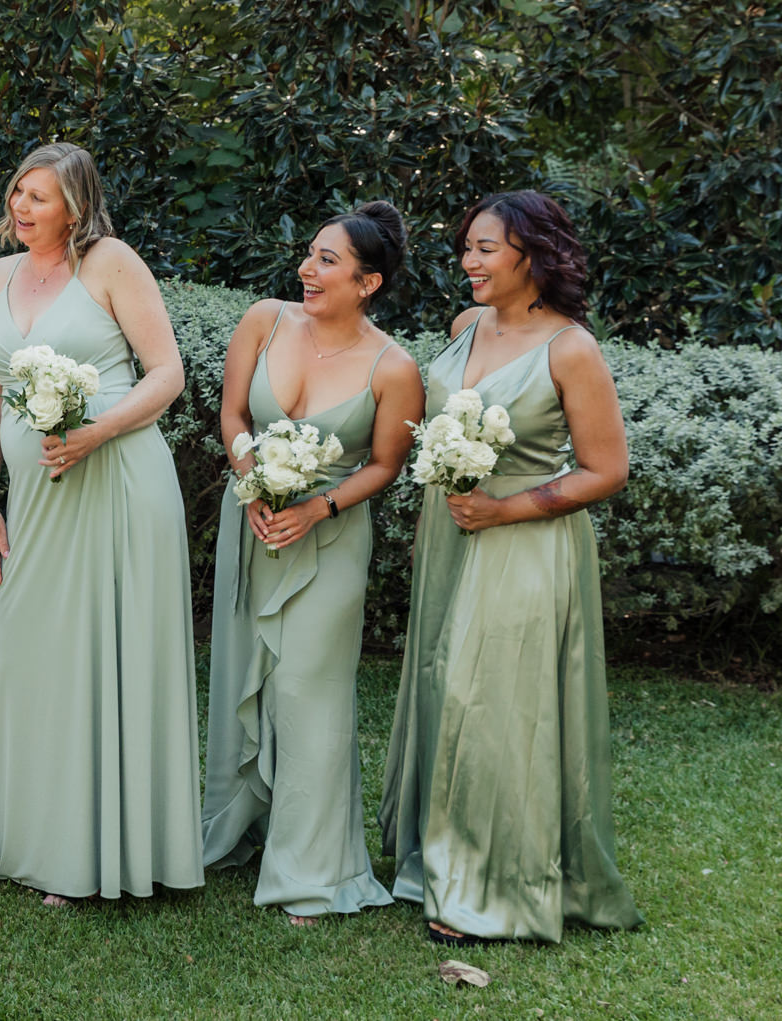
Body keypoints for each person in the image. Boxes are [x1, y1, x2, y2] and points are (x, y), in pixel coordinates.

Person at [379, 189, 642, 944]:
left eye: (485, 248)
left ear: (533, 252)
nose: (469, 260)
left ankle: (494, 885)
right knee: (442, 678)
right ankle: (438, 858)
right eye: (467, 246)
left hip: (526, 538)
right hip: (451, 533)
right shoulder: (465, 326)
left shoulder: (571, 348)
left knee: (493, 704)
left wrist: (506, 508)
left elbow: (606, 469)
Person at [0, 142, 202, 904]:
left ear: (76, 203)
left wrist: (97, 429)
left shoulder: (110, 263)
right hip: (34, 502)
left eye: (39, 196)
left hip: (118, 482)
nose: (22, 206)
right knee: (39, 649)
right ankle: (46, 839)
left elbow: (167, 371)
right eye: (18, 192)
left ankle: (120, 850)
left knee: (111, 650)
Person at [201, 204, 422, 921]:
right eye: (310, 253)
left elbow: (387, 462)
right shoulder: (264, 320)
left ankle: (312, 870)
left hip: (329, 537)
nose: (307, 268)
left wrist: (316, 508)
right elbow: (234, 416)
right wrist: (254, 478)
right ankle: (243, 827)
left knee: (310, 690)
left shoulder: (394, 366)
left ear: (369, 281)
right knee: (248, 675)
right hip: (256, 523)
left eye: (328, 260)